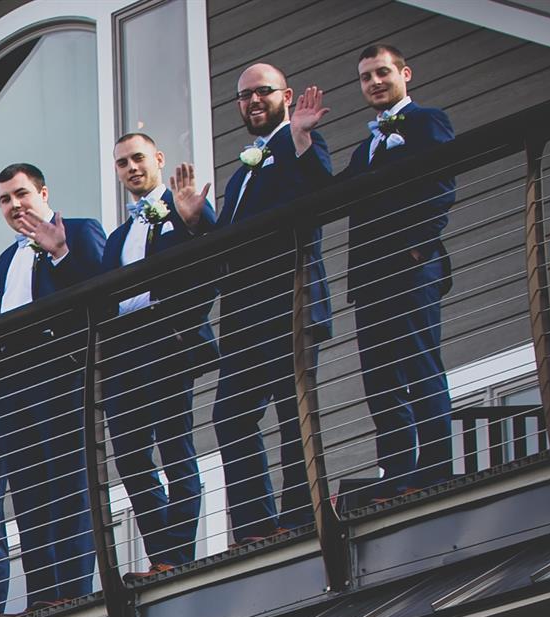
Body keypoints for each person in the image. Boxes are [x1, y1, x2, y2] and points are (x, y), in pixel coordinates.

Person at [171, 64, 333, 542]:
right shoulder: (243, 172)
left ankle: (300, 515)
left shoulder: (301, 143)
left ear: (286, 95)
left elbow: (320, 197)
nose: (253, 101)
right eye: (244, 96)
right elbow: (232, 244)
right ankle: (255, 525)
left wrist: (302, 138)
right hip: (243, 315)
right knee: (229, 416)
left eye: (263, 91)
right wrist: (198, 221)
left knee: (292, 409)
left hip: (289, 300)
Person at [338, 44, 456, 500]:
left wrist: (416, 249)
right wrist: (303, 140)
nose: (374, 82)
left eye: (382, 72)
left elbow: (442, 183)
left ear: (405, 74)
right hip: (369, 277)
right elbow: (335, 194)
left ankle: (435, 470)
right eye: (366, 77)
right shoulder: (366, 148)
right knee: (380, 379)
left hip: (411, 268)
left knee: (421, 365)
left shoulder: (427, 121)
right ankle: (398, 472)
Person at [0, 163, 106, 605]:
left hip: (61, 376)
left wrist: (61, 253)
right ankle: (41, 599)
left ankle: (72, 595)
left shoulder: (79, 230)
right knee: (29, 497)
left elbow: (102, 296)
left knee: (69, 488)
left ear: (43, 193)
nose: (14, 205)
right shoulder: (3, 262)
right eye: (5, 199)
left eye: (21, 194)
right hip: (12, 388)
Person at [98, 131, 217, 575]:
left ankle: (178, 556)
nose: (131, 168)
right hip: (123, 351)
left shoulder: (184, 208)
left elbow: (209, 267)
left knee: (174, 446)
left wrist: (191, 223)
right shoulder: (117, 237)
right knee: (130, 457)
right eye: (122, 162)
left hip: (167, 341)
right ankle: (161, 555)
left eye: (138, 158)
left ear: (158, 159)